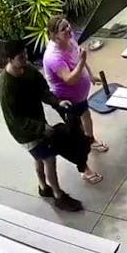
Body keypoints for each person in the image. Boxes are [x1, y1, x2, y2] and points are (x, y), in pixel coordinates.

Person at [0, 48, 97, 212]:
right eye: (21, 56)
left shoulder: (27, 69)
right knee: (49, 159)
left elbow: (43, 90)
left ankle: (43, 187)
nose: (26, 59)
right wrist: (41, 128)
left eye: (25, 54)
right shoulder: (6, 86)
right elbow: (15, 120)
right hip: (25, 132)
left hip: (37, 121)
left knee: (39, 158)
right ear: (9, 59)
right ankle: (58, 196)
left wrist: (57, 102)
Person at [42, 16, 108, 185]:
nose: (69, 30)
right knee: (76, 138)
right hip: (67, 102)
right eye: (63, 29)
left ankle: (91, 140)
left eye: (68, 26)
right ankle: (84, 169)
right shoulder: (53, 57)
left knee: (87, 116)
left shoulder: (70, 40)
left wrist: (90, 75)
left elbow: (79, 58)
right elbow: (70, 79)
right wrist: (83, 62)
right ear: (54, 35)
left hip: (80, 98)